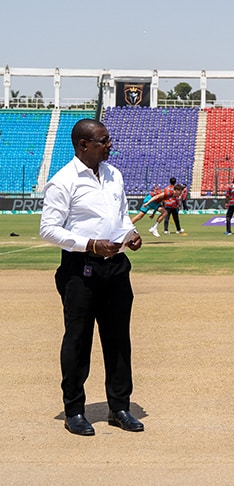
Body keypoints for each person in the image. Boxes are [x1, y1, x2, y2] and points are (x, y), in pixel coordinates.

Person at [39, 119, 145, 436]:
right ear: (83, 145)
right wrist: (90, 245)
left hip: (116, 267)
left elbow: (121, 215)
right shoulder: (63, 181)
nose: (110, 145)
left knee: (118, 340)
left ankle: (120, 407)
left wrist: (130, 233)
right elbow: (48, 229)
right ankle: (74, 410)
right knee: (78, 340)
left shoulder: (114, 175)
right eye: (104, 140)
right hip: (79, 270)